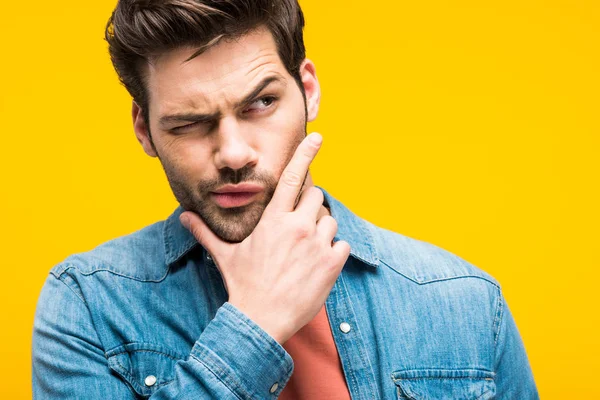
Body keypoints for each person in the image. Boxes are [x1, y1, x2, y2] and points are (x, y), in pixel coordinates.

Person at [32, 0, 539, 398]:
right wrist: (253, 324)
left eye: (261, 103)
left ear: (309, 91)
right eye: (188, 123)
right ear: (144, 130)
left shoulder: (464, 303)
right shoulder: (89, 305)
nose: (232, 153)